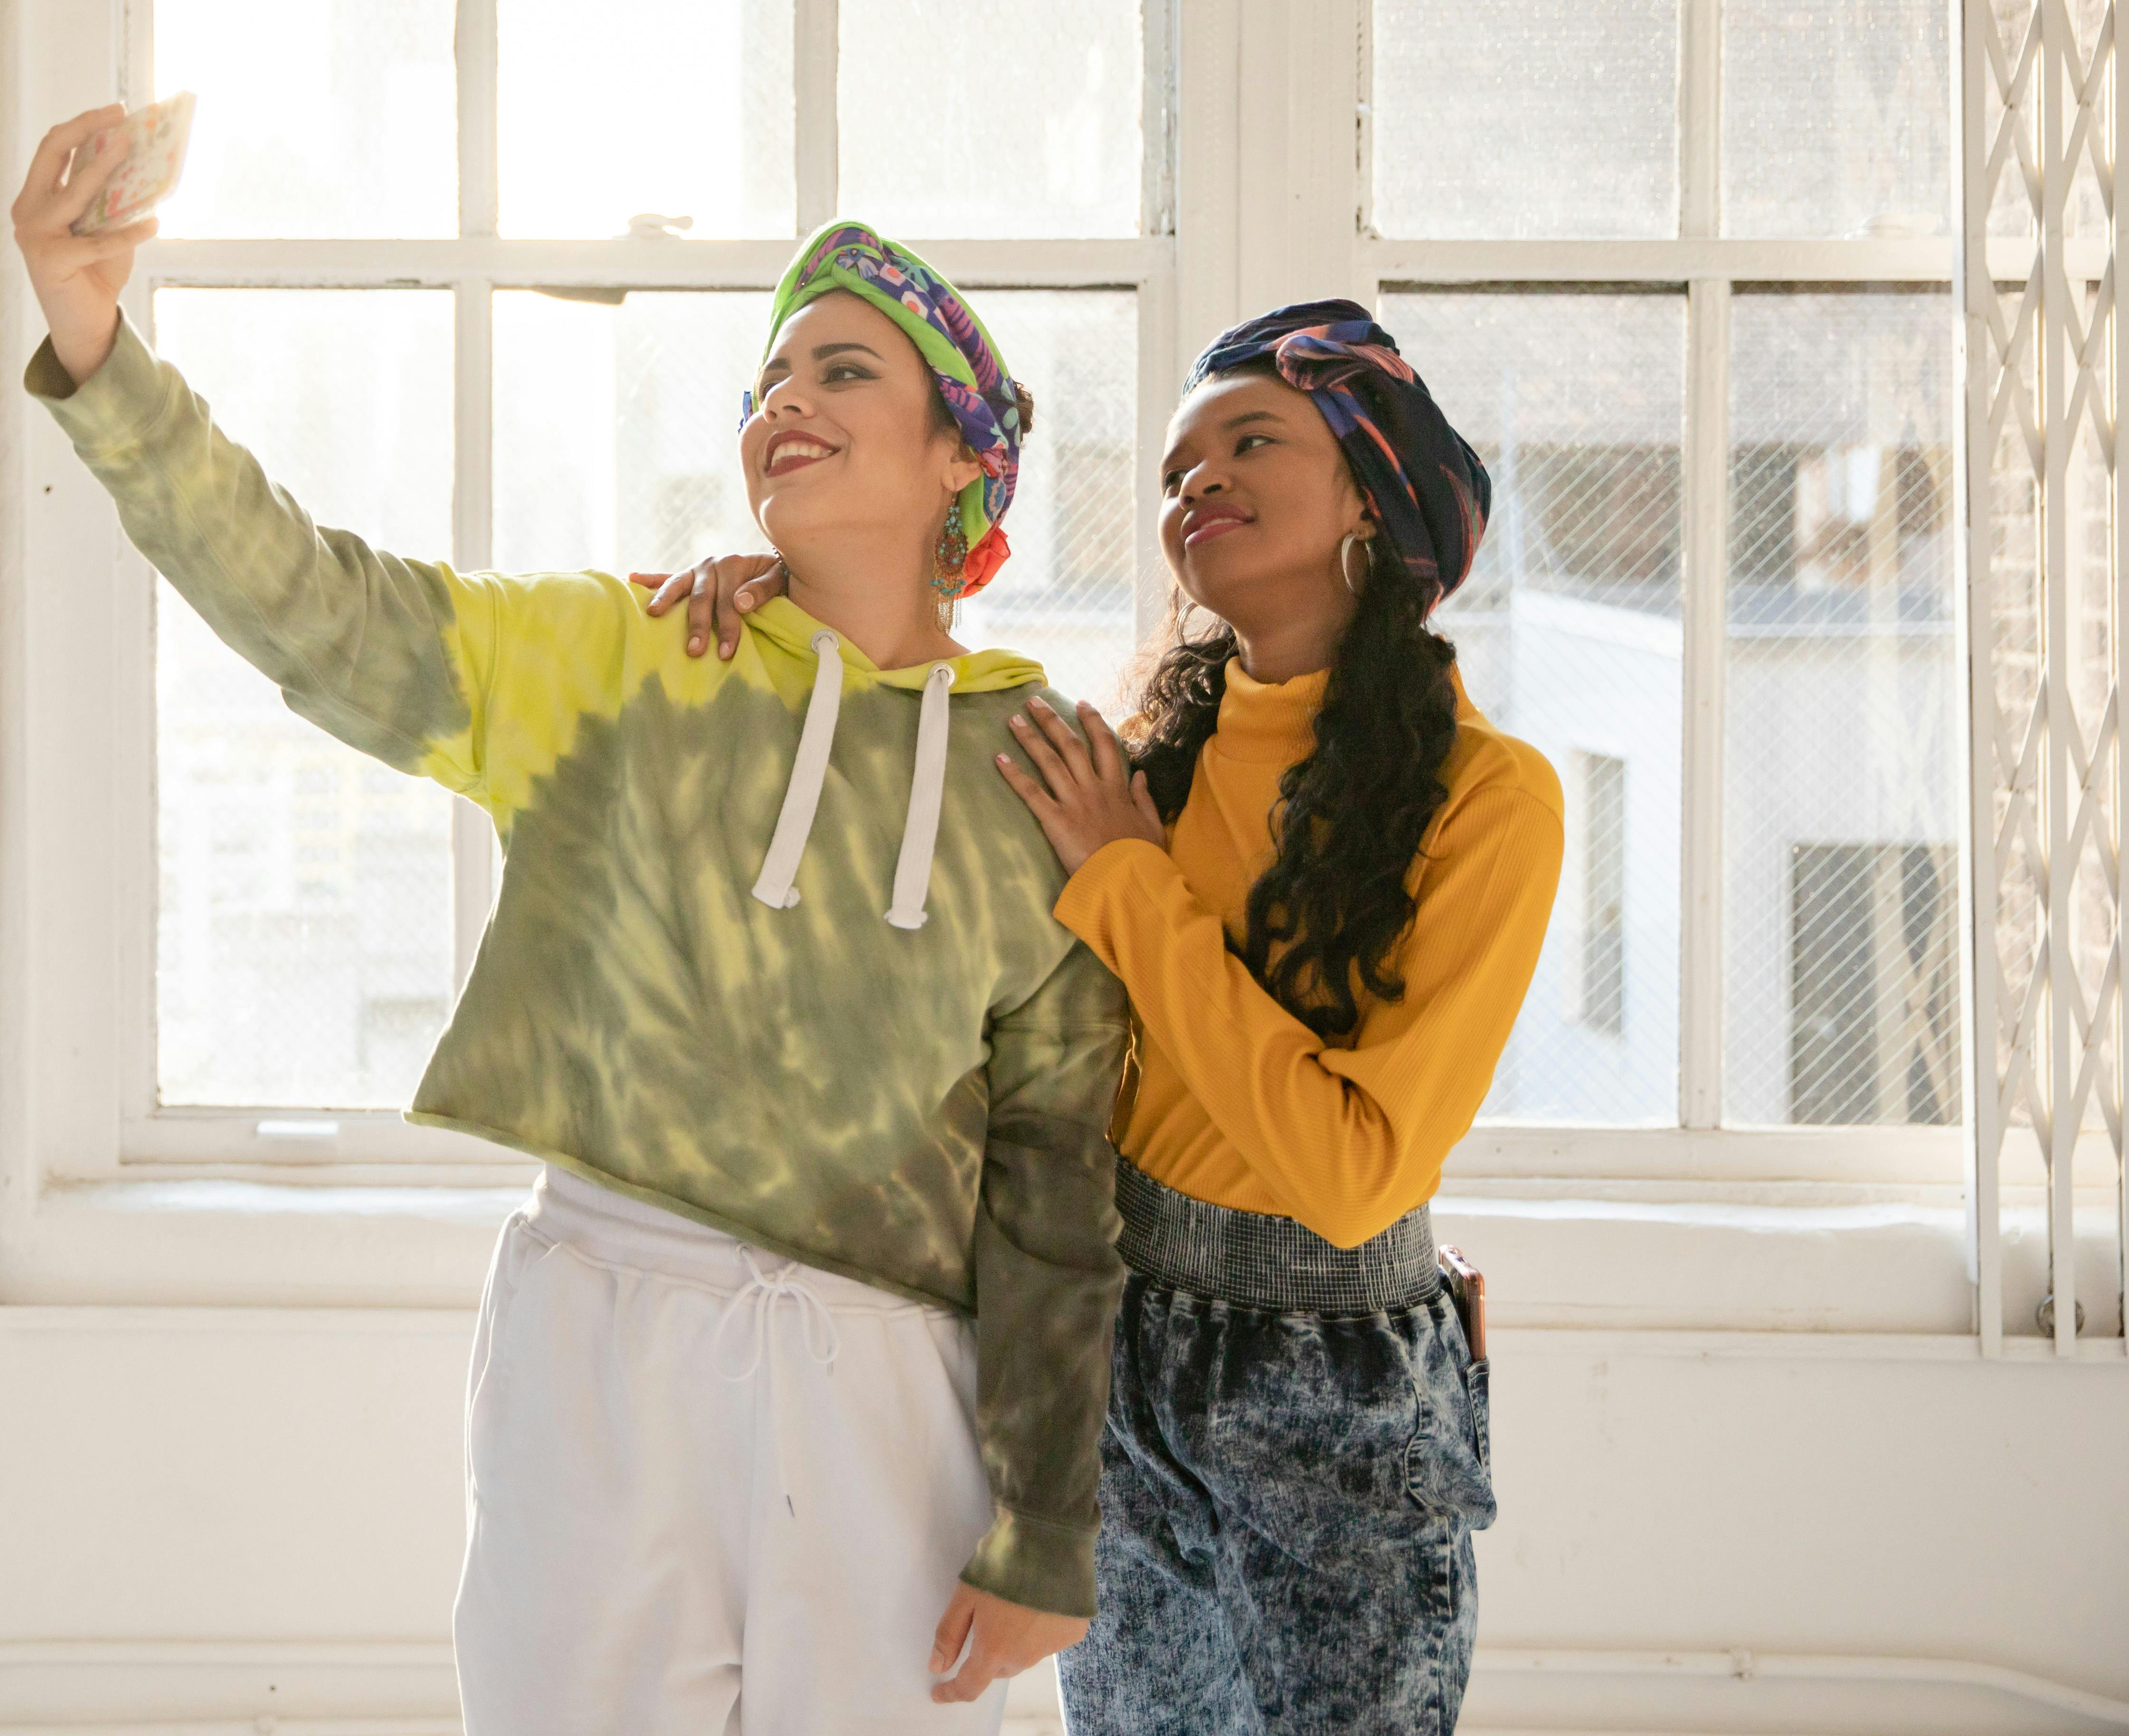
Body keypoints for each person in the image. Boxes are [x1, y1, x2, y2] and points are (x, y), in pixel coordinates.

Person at [13, 105, 1130, 1733]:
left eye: (841, 372)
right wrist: (97, 340)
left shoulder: (1039, 777)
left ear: (965, 450)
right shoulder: (625, 659)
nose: (781, 407)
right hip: (605, 1335)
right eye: (765, 384)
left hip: (893, 1382)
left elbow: (1058, 1193)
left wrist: (1049, 1527)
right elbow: (317, 607)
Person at [655, 299, 1559, 1734]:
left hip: (1338, 1388)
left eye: (1247, 442)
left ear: (1374, 493)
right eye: (1175, 470)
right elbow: (903, 720)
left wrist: (1130, 884)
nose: (1194, 484)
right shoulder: (1135, 761)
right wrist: (772, 586)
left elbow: (1345, 1173)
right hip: (1128, 1347)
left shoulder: (1491, 798)